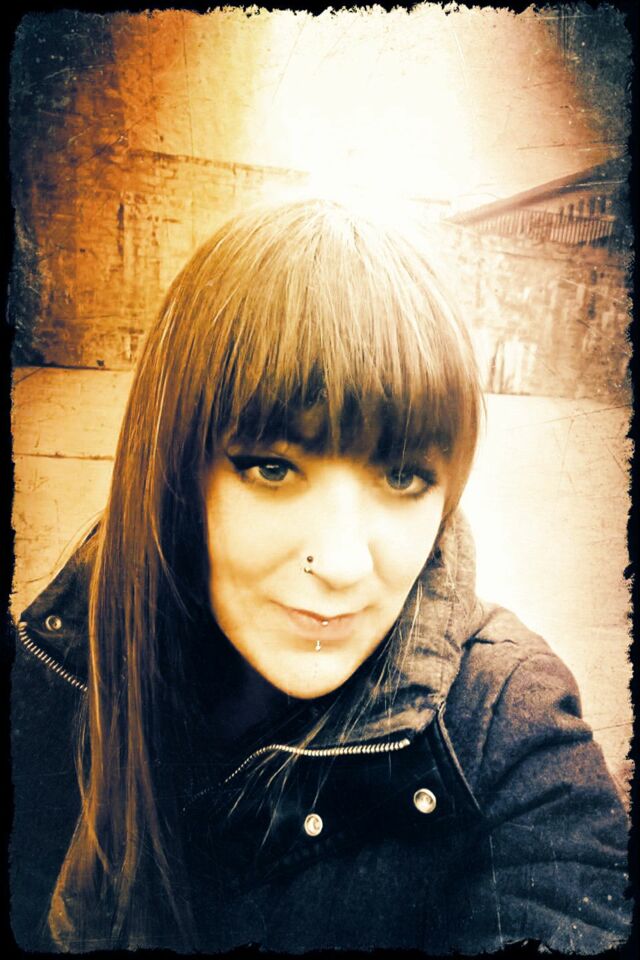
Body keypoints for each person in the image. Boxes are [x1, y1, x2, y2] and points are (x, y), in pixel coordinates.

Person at [11, 198, 630, 953]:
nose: (339, 566)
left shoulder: (505, 724)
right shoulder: (49, 673)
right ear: (172, 472)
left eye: (402, 477)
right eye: (272, 468)